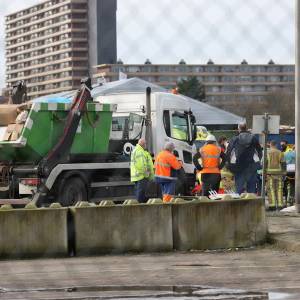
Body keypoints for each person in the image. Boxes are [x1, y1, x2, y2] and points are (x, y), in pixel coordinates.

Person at [226, 123, 262, 194]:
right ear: (246, 128)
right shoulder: (253, 138)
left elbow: (229, 152)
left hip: (239, 166)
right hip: (251, 166)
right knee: (251, 189)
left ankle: (239, 203)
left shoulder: (235, 139)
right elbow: (259, 151)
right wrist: (258, 161)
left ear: (239, 129)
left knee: (239, 188)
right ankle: (251, 203)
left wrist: (229, 164)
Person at [130, 138, 154, 203]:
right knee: (141, 193)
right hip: (141, 176)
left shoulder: (137, 150)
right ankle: (139, 207)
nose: (146, 144)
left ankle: (138, 205)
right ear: (143, 144)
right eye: (145, 143)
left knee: (139, 192)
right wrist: (147, 174)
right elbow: (142, 165)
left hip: (138, 176)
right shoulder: (140, 151)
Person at [266, 140, 285, 209]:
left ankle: (272, 206)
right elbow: (283, 163)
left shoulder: (267, 152)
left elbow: (264, 163)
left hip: (269, 174)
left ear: (270, 145)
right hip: (279, 174)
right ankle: (280, 205)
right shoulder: (280, 153)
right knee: (279, 189)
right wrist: (284, 173)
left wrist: (264, 173)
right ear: (276, 145)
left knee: (271, 189)